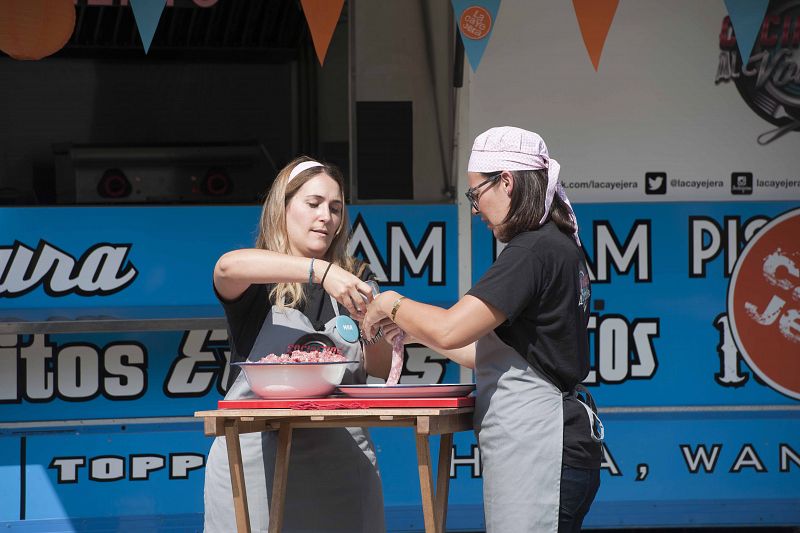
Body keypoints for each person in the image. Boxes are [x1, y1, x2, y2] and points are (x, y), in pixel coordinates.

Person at [364, 126, 603, 533]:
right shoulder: (558, 244)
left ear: (506, 181)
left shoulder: (532, 250)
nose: (474, 210)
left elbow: (452, 329)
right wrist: (419, 334)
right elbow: (494, 353)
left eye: (475, 194)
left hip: (543, 444)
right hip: (554, 439)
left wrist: (390, 303)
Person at [204, 156, 393, 533]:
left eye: (335, 208)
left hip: (341, 462)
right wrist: (319, 271)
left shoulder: (355, 279)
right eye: (313, 203)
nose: (326, 216)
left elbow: (381, 368)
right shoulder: (258, 278)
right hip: (258, 461)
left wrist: (371, 322)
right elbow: (226, 268)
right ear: (283, 207)